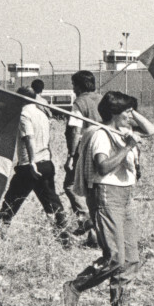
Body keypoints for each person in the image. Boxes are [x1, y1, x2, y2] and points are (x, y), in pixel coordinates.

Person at [62, 91, 154, 306]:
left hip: (124, 195)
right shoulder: (100, 135)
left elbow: (151, 131)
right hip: (106, 194)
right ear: (115, 114)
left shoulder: (122, 131)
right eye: (127, 113)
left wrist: (130, 110)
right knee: (114, 257)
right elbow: (103, 167)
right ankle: (74, 288)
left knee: (131, 258)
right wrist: (128, 147)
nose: (132, 117)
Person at [0, 87, 70, 236]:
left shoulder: (24, 115)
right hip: (46, 162)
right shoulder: (42, 114)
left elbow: (29, 138)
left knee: (12, 200)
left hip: (30, 166)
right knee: (51, 201)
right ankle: (63, 233)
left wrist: (32, 162)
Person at [63, 70, 102, 219]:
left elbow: (75, 129)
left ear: (79, 86)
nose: (73, 89)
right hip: (104, 149)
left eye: (74, 85)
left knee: (70, 186)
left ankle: (86, 219)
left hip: (85, 149)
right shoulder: (102, 98)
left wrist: (71, 155)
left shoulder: (79, 102)